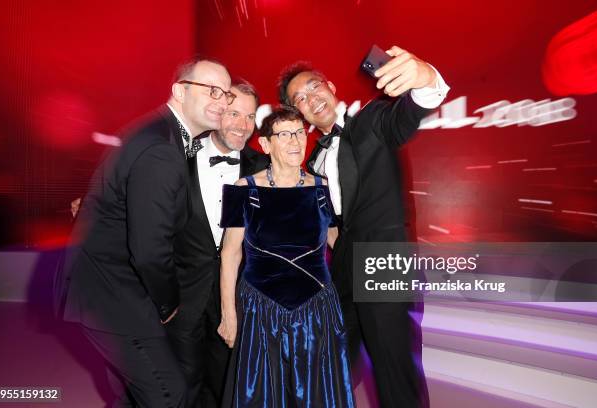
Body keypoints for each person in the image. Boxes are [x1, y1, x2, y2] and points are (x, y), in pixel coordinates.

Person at [278, 46, 450, 407]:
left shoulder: (374, 121)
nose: (311, 98)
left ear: (331, 86)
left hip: (385, 264)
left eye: (313, 88)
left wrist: (424, 76)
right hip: (342, 273)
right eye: (301, 99)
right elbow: (331, 219)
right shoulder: (312, 161)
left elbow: (412, 109)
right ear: (300, 113)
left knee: (394, 370)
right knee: (333, 368)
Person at [57, 59, 235, 408]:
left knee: (131, 396)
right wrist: (169, 305)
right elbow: (150, 250)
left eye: (226, 94)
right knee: (169, 394)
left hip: (105, 290)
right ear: (180, 91)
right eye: (212, 90)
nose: (223, 101)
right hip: (114, 297)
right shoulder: (161, 149)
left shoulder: (157, 132)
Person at [217, 107, 354, 407]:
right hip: (260, 310)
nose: (295, 141)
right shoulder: (244, 189)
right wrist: (229, 315)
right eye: (284, 134)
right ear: (266, 145)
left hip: (317, 309)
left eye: (299, 133)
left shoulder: (322, 188)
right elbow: (229, 255)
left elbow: (338, 244)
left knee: (317, 392)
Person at [166, 79, 269, 408]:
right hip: (184, 292)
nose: (243, 125)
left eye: (250, 117)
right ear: (218, 111)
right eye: (234, 113)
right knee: (181, 381)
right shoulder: (178, 156)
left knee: (229, 380)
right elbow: (145, 203)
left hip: (239, 296)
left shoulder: (264, 167)